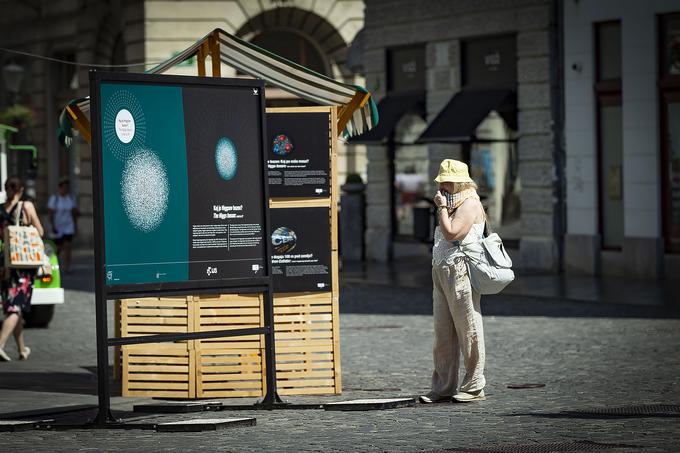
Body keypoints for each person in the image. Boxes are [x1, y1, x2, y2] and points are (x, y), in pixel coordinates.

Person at [420, 159, 487, 404]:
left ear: (459, 182)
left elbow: (451, 233)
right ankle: (443, 386)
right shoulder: (451, 202)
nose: (441, 186)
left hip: (460, 270)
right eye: (440, 181)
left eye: (446, 182)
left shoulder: (469, 203)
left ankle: (474, 385)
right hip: (441, 269)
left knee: (468, 328)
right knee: (442, 332)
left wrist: (440, 209)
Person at [0, 176, 45, 361]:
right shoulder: (26, 207)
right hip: (23, 265)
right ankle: (0, 344)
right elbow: (40, 232)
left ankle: (22, 348)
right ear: (21, 190)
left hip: (5, 264)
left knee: (12, 306)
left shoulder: (1, 210)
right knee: (15, 307)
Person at [47, 177, 78, 273]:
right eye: (64, 187)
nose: (66, 189)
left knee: (68, 246)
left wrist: (75, 226)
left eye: (67, 187)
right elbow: (50, 213)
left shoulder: (70, 198)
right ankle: (53, 266)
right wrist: (52, 226)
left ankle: (67, 268)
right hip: (57, 227)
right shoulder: (55, 199)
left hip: (68, 227)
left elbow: (74, 212)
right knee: (58, 249)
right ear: (60, 188)